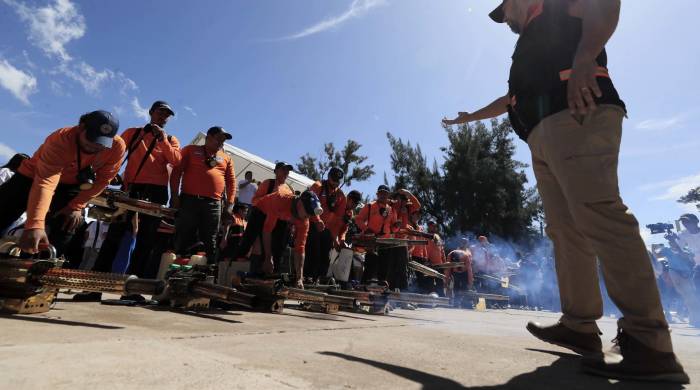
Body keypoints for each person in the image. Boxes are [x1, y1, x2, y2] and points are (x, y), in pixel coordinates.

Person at [442, 0, 687, 382]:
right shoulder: (532, 38)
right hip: (544, 131)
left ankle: (649, 341)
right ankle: (580, 326)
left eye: (504, 12)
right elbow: (510, 99)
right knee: (565, 230)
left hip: (576, 111)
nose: (504, 20)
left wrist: (587, 58)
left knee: (598, 212)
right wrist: (468, 118)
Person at [0, 110, 124, 255]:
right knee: (4, 210)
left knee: (68, 224)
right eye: (91, 139)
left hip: (70, 186)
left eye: (101, 143)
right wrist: (35, 225)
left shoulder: (116, 147)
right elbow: (46, 182)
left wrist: (76, 206)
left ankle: (44, 268)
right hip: (31, 177)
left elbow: (103, 180)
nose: (95, 146)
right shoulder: (61, 139)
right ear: (81, 127)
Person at [120, 101, 181, 278]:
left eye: (166, 115)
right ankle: (97, 284)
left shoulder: (171, 140)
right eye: (160, 113)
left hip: (157, 191)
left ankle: (134, 284)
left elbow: (176, 161)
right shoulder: (133, 133)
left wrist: (162, 140)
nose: (163, 117)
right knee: (116, 234)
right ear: (151, 112)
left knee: (146, 239)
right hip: (132, 187)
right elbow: (116, 153)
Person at [170, 126, 235, 263]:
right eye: (218, 139)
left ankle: (207, 271)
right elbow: (176, 173)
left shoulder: (226, 158)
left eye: (223, 141)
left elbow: (231, 183)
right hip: (189, 200)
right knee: (184, 235)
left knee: (210, 239)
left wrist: (229, 205)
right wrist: (174, 196)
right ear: (208, 138)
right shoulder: (190, 150)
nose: (221, 143)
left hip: (213, 203)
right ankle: (177, 270)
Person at [246, 190, 322, 287]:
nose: (308, 216)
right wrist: (268, 257)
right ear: (299, 204)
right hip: (261, 211)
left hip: (281, 218)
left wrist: (299, 278)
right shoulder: (280, 200)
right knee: (258, 249)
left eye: (310, 215)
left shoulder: (304, 220)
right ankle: (251, 276)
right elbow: (267, 230)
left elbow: (300, 249)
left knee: (278, 250)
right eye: (307, 213)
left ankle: (268, 282)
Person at [305, 167, 345, 281]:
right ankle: (306, 277)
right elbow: (309, 204)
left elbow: (338, 219)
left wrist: (334, 238)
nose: (335, 182)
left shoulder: (341, 196)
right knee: (313, 253)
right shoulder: (318, 186)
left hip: (327, 230)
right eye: (333, 179)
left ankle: (319, 280)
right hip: (313, 225)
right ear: (328, 177)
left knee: (325, 257)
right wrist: (317, 220)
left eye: (338, 180)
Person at [355, 185, 400, 286]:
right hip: (372, 241)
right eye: (381, 193)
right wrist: (366, 229)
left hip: (385, 242)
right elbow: (358, 219)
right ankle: (364, 287)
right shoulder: (370, 206)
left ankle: (381, 290)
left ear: (388, 195)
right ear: (377, 194)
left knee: (384, 267)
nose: (383, 195)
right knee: (370, 265)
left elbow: (393, 230)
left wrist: (396, 226)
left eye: (385, 193)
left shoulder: (392, 210)